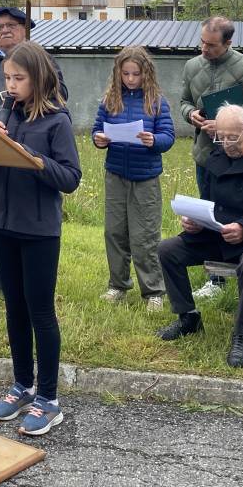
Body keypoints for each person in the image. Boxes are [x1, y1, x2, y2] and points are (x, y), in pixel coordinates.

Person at [0, 41, 81, 437]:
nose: (11, 85)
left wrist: (31, 157)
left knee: (40, 311)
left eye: (19, 78)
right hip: (1, 223)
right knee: (14, 309)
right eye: (7, 78)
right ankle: (21, 385)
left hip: (39, 229)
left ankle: (49, 398)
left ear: (38, 78)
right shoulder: (1, 114)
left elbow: (70, 178)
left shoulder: (56, 122)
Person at [156, 104, 243, 367]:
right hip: (219, 235)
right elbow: (211, 203)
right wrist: (197, 220)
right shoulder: (216, 156)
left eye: (232, 137)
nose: (226, 143)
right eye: (220, 137)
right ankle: (188, 317)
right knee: (168, 249)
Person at [0, 6, 66, 303]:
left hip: (23, 157)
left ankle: (15, 277)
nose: (4, 30)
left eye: (11, 26)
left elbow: (58, 99)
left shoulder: (44, 63)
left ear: (26, 30)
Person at [179, 16, 243, 301]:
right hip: (208, 156)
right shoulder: (192, 66)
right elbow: (184, 101)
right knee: (210, 214)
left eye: (211, 45)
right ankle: (216, 278)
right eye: (202, 42)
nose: (204, 49)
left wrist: (229, 126)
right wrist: (190, 115)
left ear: (228, 43)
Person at [91, 46, 175, 311]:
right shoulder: (109, 100)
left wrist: (154, 140)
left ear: (145, 73)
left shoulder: (157, 102)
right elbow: (97, 130)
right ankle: (118, 285)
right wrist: (99, 139)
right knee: (114, 232)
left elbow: (168, 137)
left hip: (145, 178)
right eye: (125, 73)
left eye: (135, 74)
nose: (129, 79)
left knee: (144, 237)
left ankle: (153, 292)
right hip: (116, 174)